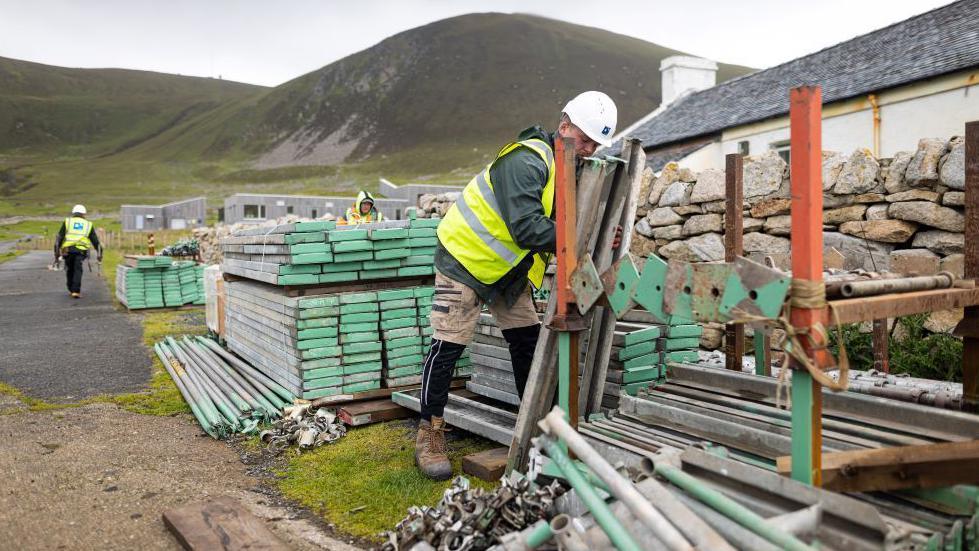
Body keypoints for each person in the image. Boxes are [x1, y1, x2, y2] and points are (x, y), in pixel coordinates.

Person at [414, 91, 618, 480]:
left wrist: (596, 234)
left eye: (596, 143)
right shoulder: (527, 161)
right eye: (585, 138)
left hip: (507, 272)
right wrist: (579, 235)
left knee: (527, 342)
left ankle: (537, 426)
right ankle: (430, 432)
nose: (589, 149)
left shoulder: (567, 169)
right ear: (564, 126)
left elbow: (565, 223)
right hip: (463, 260)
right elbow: (528, 229)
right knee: (449, 345)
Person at [55, 204, 101, 298]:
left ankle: (71, 288)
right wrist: (100, 253)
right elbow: (95, 241)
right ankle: (75, 291)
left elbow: (59, 237)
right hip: (81, 251)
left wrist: (56, 252)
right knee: (77, 269)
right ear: (84, 214)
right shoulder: (88, 224)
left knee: (69, 269)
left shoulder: (67, 222)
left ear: (73, 213)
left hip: (67, 250)